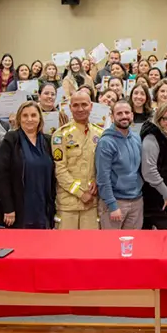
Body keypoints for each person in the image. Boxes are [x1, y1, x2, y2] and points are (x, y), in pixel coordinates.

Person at [0, 101, 55, 228]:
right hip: (20, 206)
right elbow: (1, 176)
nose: (29, 119)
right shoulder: (11, 140)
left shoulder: (47, 141)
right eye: (25, 116)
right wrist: (8, 207)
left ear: (40, 118)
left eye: (33, 115)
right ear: (19, 118)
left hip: (43, 205)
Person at [51, 89, 103, 230]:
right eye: (76, 105)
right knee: (66, 248)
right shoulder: (60, 135)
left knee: (91, 248)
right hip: (68, 205)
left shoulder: (100, 134)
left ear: (91, 106)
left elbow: (103, 166)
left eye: (84, 105)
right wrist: (80, 193)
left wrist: (98, 181)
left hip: (92, 203)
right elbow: (60, 170)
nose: (80, 109)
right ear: (70, 107)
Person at [96, 99, 144, 230]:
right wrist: (112, 205)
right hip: (116, 203)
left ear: (132, 115)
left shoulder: (136, 138)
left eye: (127, 112)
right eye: (119, 113)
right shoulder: (106, 142)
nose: (124, 116)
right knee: (110, 247)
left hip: (136, 201)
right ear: (112, 117)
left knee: (132, 246)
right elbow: (102, 177)